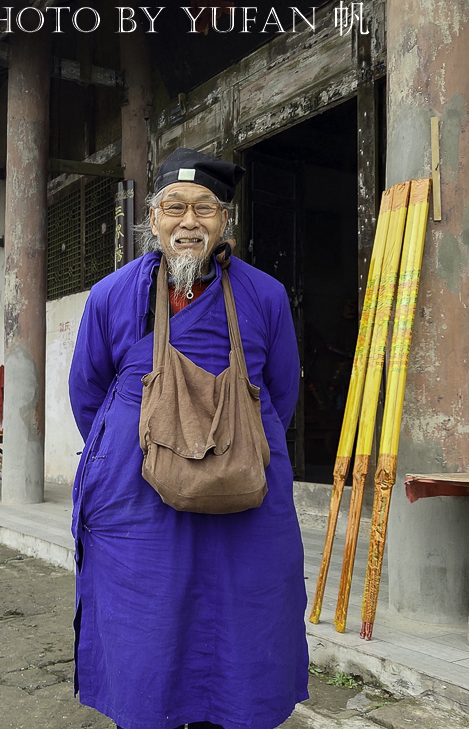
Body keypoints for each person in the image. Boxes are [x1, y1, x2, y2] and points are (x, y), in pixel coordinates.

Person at [69, 147, 308, 729]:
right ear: (152, 219)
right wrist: (143, 443)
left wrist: (228, 447)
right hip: (138, 497)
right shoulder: (111, 296)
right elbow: (88, 395)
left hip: (243, 492)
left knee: (245, 619)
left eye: (205, 208)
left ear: (224, 221)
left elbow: (280, 392)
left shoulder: (265, 295)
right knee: (143, 626)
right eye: (174, 207)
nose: (189, 222)